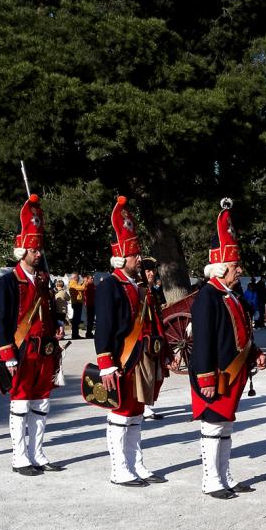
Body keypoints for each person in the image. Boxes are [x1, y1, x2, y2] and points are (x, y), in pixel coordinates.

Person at [190, 198, 266, 499]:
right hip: (215, 375)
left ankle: (224, 475)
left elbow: (242, 331)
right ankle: (211, 480)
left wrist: (255, 351)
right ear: (221, 268)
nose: (240, 270)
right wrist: (206, 378)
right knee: (212, 427)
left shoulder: (232, 296)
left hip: (231, 374)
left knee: (225, 427)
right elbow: (204, 341)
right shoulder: (207, 297)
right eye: (235, 266)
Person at [95, 196, 169, 486]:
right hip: (122, 360)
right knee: (121, 413)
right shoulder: (109, 286)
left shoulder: (140, 287)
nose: (140, 259)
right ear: (121, 257)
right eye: (135, 256)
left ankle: (135, 463)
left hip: (142, 358)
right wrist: (106, 364)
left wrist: (163, 352)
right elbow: (104, 328)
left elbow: (153, 322)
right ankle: (119, 469)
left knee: (136, 413)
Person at [0, 194, 65, 476]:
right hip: (21, 349)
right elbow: (1, 320)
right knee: (20, 402)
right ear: (22, 251)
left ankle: (38, 452)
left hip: (44, 349)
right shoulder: (8, 282)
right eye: (34, 250)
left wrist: (58, 321)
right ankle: (19, 456)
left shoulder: (44, 280)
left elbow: (47, 308)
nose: (39, 253)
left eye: (39, 249)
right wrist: (7, 352)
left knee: (42, 402)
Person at [140, 256, 168, 422]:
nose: (151, 273)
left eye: (152, 270)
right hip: (145, 339)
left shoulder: (153, 291)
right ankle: (144, 408)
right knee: (148, 375)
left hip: (155, 339)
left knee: (157, 375)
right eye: (147, 270)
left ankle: (148, 407)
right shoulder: (141, 290)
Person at [68, 272, 84, 339]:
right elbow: (81, 288)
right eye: (78, 277)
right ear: (75, 277)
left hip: (77, 302)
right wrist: (85, 283)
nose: (78, 279)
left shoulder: (74, 283)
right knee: (76, 319)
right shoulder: (72, 283)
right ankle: (74, 334)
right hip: (76, 303)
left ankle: (75, 334)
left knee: (77, 319)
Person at [83, 273, 96, 338]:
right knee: (89, 319)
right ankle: (88, 333)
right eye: (91, 278)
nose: (92, 279)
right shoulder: (88, 286)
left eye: (92, 278)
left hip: (92, 304)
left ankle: (89, 332)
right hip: (89, 304)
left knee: (91, 319)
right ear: (87, 279)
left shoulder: (92, 285)